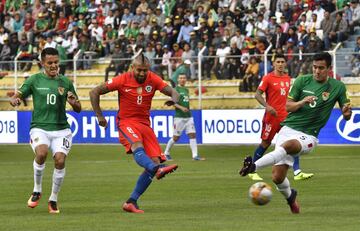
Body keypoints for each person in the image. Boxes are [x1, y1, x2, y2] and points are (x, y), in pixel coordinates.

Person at [239, 52, 352, 214]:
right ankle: (291, 198)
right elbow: (288, 107)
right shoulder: (302, 81)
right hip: (288, 129)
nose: (317, 71)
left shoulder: (338, 87)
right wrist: (303, 101)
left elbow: (346, 114)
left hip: (309, 135)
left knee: (289, 145)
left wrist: (347, 113)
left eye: (321, 68)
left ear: (329, 69)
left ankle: (253, 167)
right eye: (315, 67)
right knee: (277, 177)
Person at [89, 52, 180, 214]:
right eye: (139, 70)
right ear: (133, 68)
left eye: (145, 70)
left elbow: (175, 92)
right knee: (138, 147)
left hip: (145, 125)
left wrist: (174, 99)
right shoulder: (122, 79)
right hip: (127, 122)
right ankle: (157, 169)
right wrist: (99, 115)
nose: (142, 73)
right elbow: (94, 92)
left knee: (153, 161)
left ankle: (131, 201)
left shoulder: (153, 78)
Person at [9, 47, 82, 214]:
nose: (54, 65)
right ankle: (37, 190)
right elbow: (18, 95)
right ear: (42, 63)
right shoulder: (34, 80)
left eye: (56, 62)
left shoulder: (65, 82)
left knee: (60, 161)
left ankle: (53, 199)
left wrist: (73, 102)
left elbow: (78, 108)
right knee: (41, 154)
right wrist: (14, 100)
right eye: (50, 63)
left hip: (62, 130)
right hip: (40, 127)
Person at [248, 54, 314, 181]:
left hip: (285, 117)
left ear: (285, 63)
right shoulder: (268, 78)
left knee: (293, 141)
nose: (280, 64)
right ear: (273, 64)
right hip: (271, 117)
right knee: (266, 143)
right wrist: (267, 106)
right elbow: (257, 94)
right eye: (277, 61)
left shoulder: (288, 78)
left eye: (282, 61)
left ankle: (297, 172)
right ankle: (252, 169)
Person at [164, 74, 205, 161]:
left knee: (192, 135)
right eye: (181, 78)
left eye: (184, 78)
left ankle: (195, 156)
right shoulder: (176, 90)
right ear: (178, 80)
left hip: (189, 117)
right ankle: (166, 153)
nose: (182, 79)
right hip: (179, 117)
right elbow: (173, 103)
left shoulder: (186, 90)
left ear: (186, 79)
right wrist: (182, 108)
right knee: (176, 138)